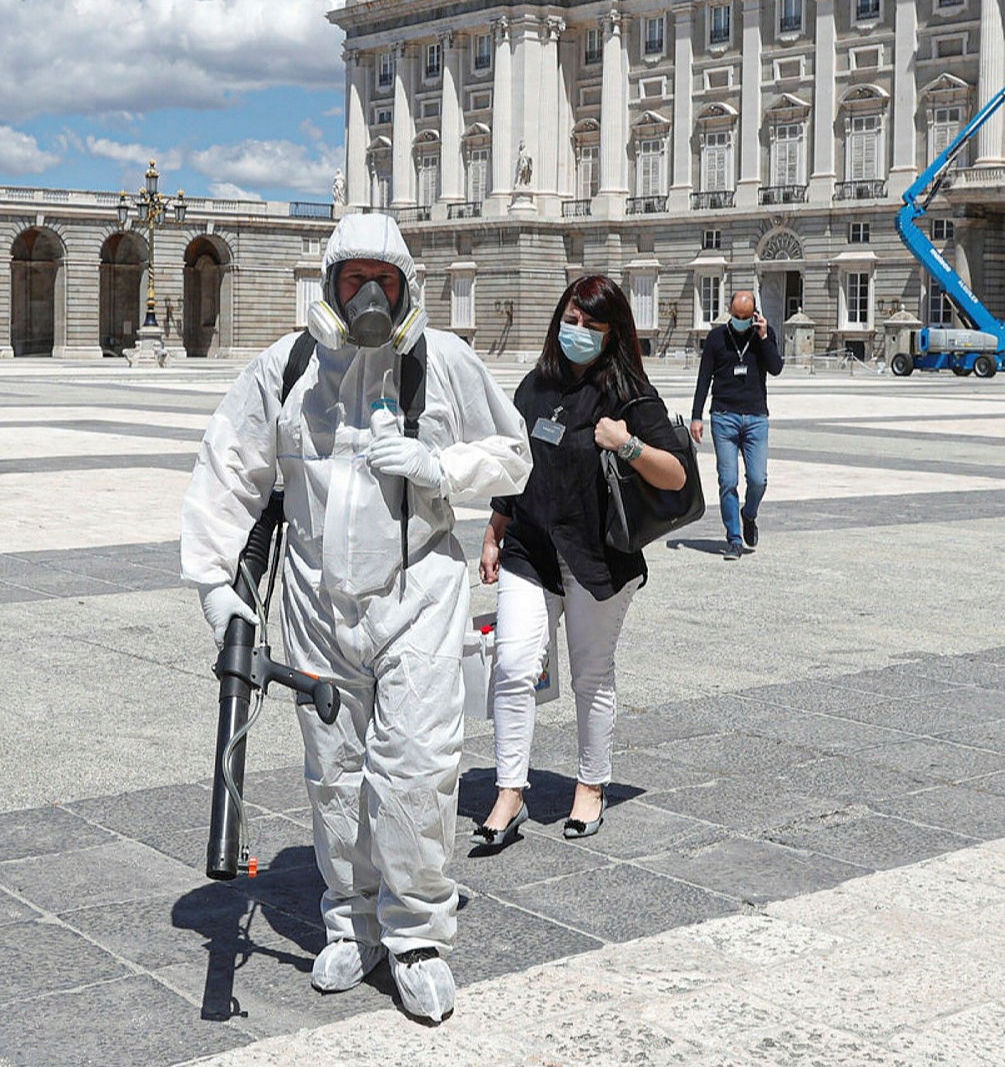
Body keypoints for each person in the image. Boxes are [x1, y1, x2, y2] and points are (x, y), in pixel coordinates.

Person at [179, 213, 529, 1024]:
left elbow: (514, 455)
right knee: (334, 771)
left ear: (406, 286)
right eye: (354, 279)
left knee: (417, 768)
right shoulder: (287, 368)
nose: (371, 294)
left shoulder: (444, 361)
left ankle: (417, 936)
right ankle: (351, 919)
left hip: (418, 594)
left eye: (385, 279)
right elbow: (228, 467)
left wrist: (440, 466)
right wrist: (213, 584)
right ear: (332, 284)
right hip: (314, 598)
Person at [475, 275, 690, 846]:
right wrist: (495, 529)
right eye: (571, 321)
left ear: (612, 332)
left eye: (592, 325)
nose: (578, 332)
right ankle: (509, 792)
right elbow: (515, 466)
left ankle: (591, 784)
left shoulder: (629, 394)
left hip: (598, 559)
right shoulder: (535, 386)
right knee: (513, 666)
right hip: (531, 551)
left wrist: (626, 443)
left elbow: (676, 475)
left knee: (590, 676)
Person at [690, 290, 783, 559]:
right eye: (737, 316)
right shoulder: (716, 338)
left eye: (746, 317)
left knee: (758, 480)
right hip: (724, 416)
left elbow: (776, 367)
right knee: (728, 481)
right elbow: (704, 378)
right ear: (730, 312)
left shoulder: (764, 334)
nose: (741, 321)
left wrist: (763, 338)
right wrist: (696, 416)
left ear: (755, 314)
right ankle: (733, 538)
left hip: (756, 417)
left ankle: (749, 514)